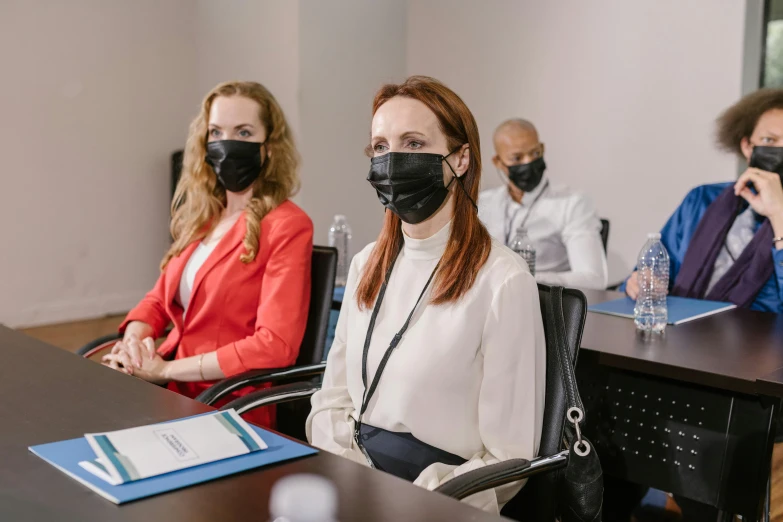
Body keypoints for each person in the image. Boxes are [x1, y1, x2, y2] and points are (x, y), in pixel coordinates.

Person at [306, 76, 546, 514]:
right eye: (380, 146)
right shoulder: (365, 265)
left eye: (413, 143)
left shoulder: (503, 282)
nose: (393, 160)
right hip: (352, 484)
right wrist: (353, 477)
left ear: (460, 158)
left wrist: (409, 502)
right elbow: (331, 399)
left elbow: (509, 459)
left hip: (440, 503)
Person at [102, 81, 313, 428]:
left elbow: (274, 345)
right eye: (216, 132)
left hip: (225, 404)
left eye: (243, 132)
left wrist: (165, 369)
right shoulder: (204, 218)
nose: (227, 145)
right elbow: (157, 301)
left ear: (270, 147)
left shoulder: (287, 225)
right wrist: (133, 343)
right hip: (167, 391)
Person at [623, 88, 783, 313]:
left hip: (759, 345)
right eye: (769, 140)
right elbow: (653, 270)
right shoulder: (702, 199)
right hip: (681, 336)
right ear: (747, 146)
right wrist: (639, 281)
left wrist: (779, 215)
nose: (779, 150)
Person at [478, 119, 608, 289]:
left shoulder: (573, 203)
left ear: (542, 149)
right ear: (498, 162)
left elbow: (594, 279)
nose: (528, 162)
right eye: (517, 158)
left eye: (535, 154)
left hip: (545, 304)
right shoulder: (483, 203)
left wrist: (526, 278)